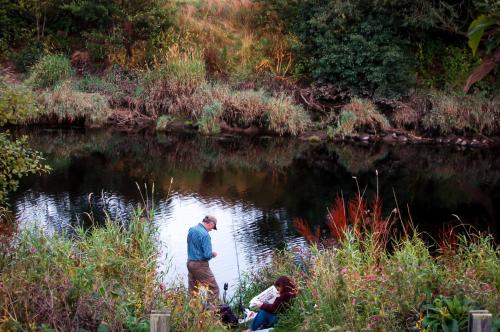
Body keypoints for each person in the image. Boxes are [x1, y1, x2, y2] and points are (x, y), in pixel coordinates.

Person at [187, 215, 220, 303]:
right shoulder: (205, 235)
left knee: (193, 290)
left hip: (190, 263)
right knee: (214, 289)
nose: (211, 230)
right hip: (200, 265)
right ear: (210, 224)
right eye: (213, 227)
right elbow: (207, 255)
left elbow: (192, 246)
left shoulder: (192, 229)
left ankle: (191, 312)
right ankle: (209, 313)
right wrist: (213, 254)